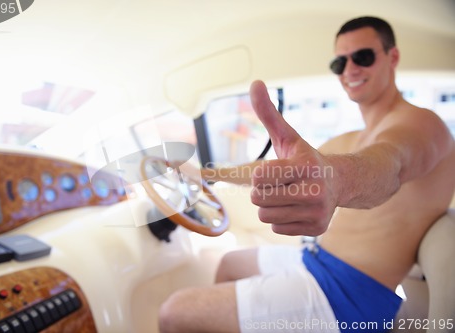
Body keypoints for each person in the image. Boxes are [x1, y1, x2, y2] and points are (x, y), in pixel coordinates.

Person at [158, 16, 455, 333]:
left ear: (392, 57)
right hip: (317, 259)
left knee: (173, 313)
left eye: (363, 57)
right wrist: (205, 174)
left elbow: (391, 165)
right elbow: (274, 170)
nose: (350, 70)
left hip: (349, 295)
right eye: (340, 62)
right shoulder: (352, 138)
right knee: (229, 263)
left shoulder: (423, 125)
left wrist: (336, 181)